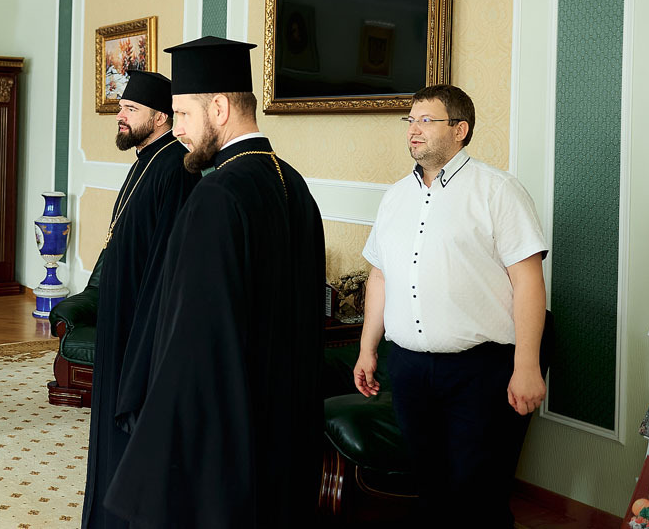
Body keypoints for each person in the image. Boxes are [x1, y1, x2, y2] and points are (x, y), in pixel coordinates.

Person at [105, 36, 326, 529]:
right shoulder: (292, 182)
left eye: (183, 114)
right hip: (286, 419)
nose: (178, 129)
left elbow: (194, 336)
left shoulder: (218, 194)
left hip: (230, 426)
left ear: (220, 108)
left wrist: (157, 433)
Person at [352, 84, 547, 529]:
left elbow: (528, 282)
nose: (413, 130)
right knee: (429, 489)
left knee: (478, 494)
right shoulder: (394, 197)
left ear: (460, 130)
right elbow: (380, 276)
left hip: (479, 370)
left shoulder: (498, 191)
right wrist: (367, 349)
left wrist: (527, 365)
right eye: (410, 120)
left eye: (426, 120)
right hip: (408, 368)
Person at [79, 70, 199, 529]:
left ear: (161, 117)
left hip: (140, 326)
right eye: (121, 108)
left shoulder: (177, 168)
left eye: (131, 109)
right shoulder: (146, 159)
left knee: (130, 432)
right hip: (120, 318)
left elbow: (166, 263)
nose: (121, 116)